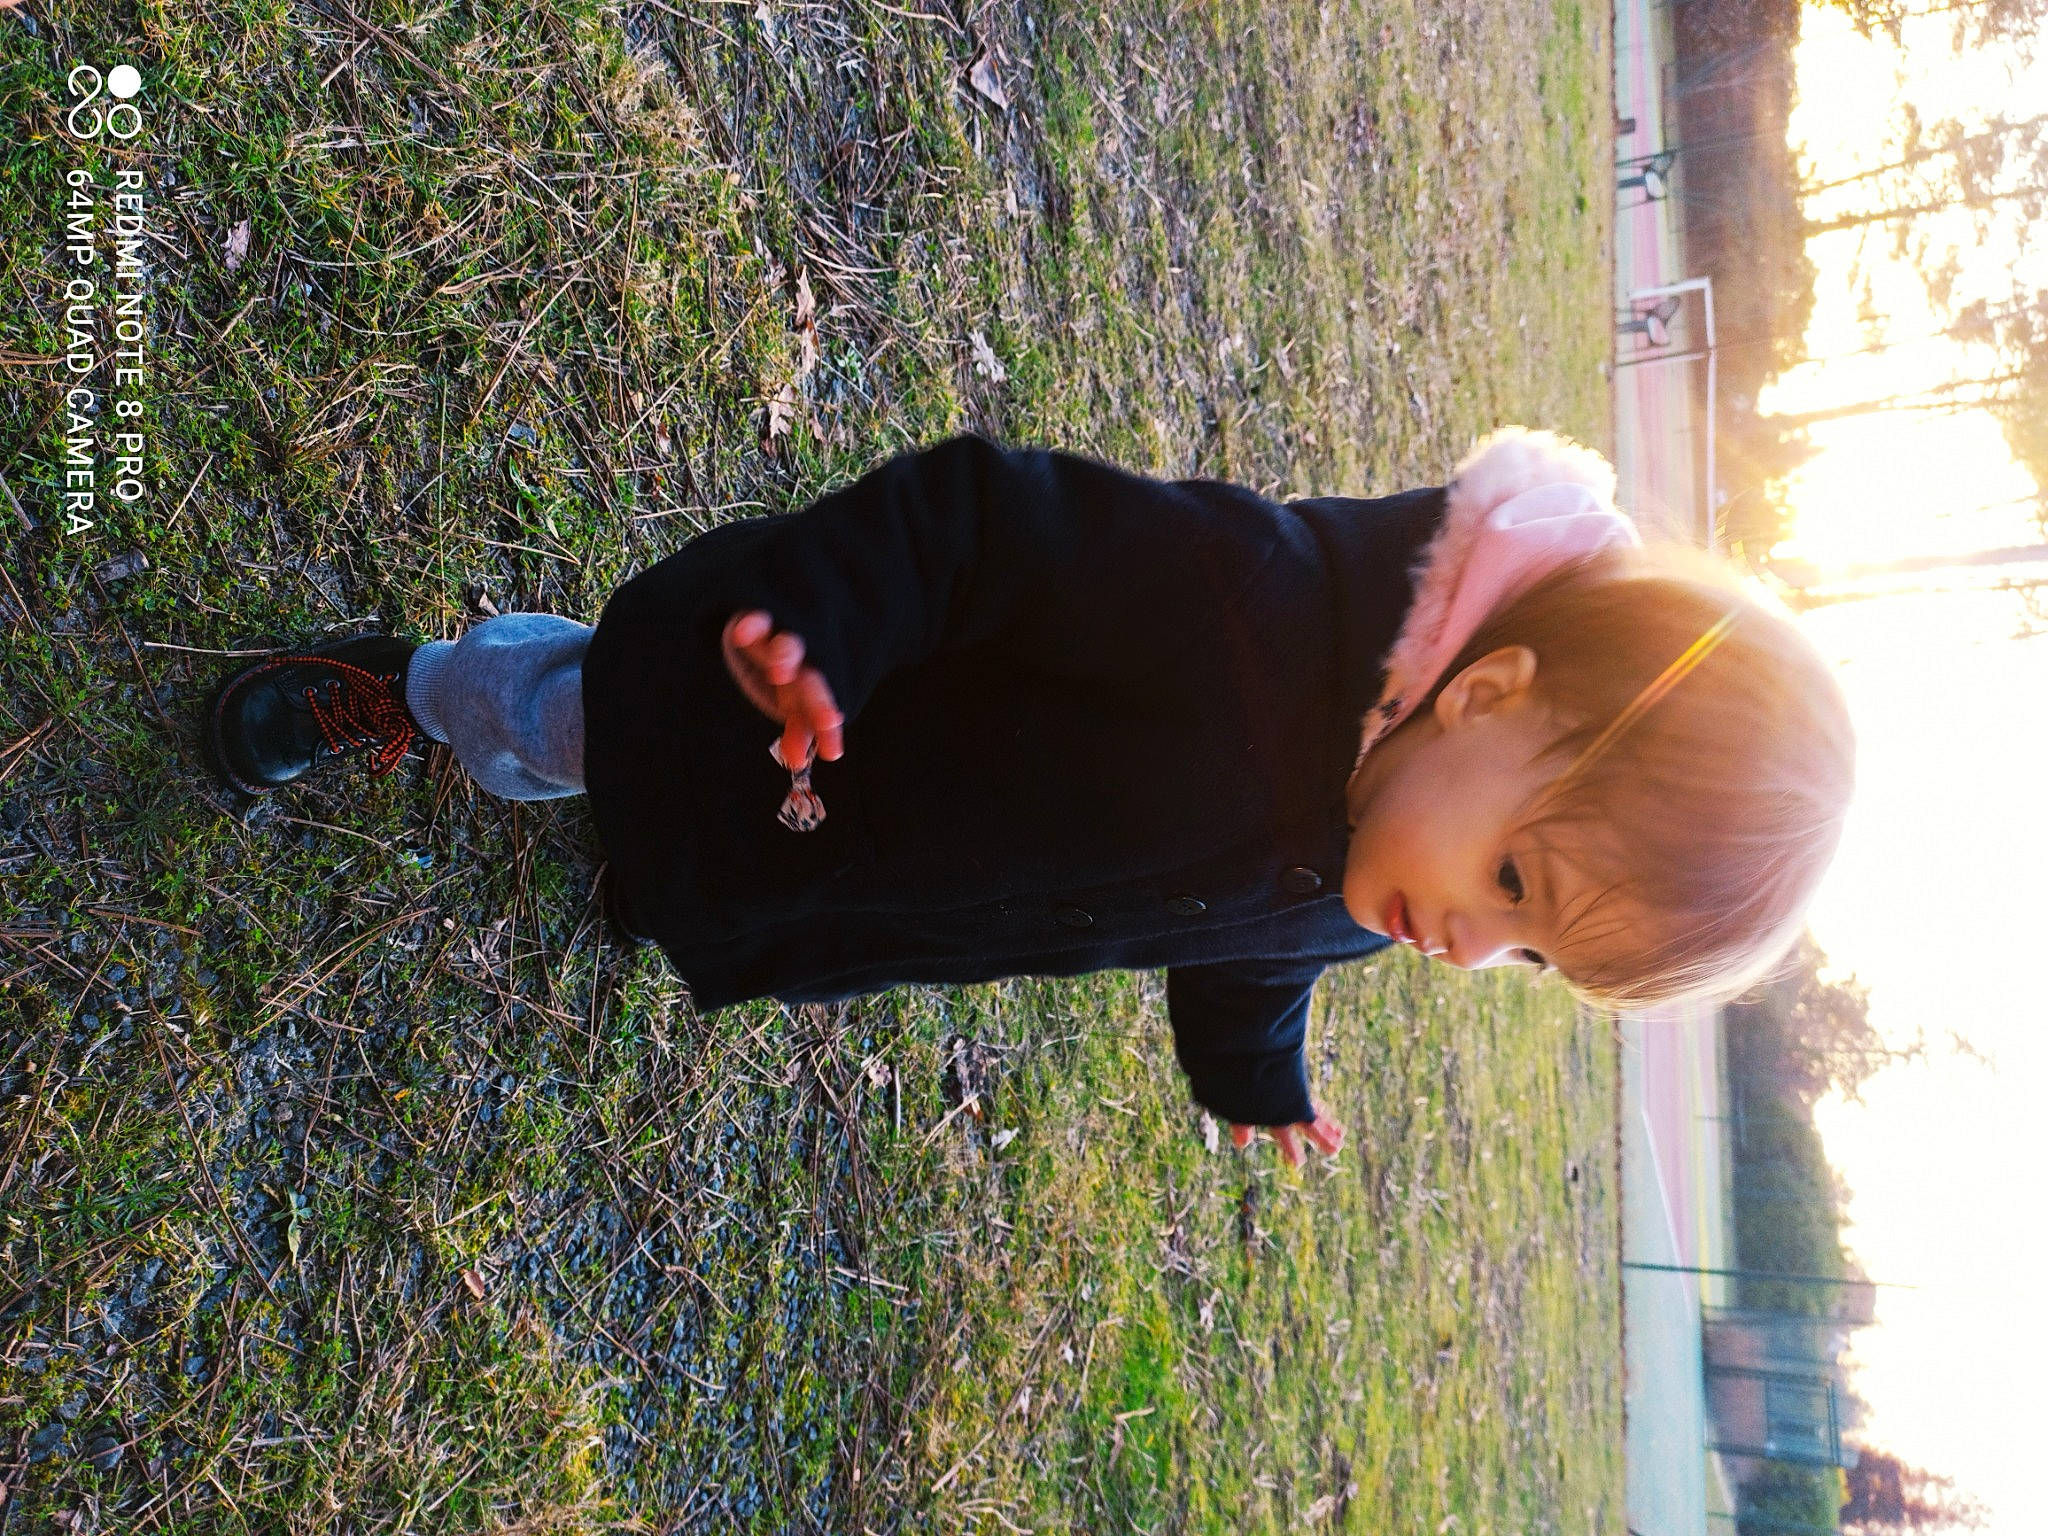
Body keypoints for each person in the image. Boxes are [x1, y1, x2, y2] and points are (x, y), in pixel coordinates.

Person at [206, 430, 1854, 1165]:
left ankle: (660, 872)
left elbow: (1253, 951)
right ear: (1490, 692)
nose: (1473, 952)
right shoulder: (1244, 605)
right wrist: (825, 636)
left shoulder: (1382, 870)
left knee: (698, 866)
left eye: (1537, 960)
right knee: (576, 730)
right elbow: (982, 526)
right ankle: (426, 690)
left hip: (851, 872)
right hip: (775, 712)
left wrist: (1253, 1079)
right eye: (1517, 884)